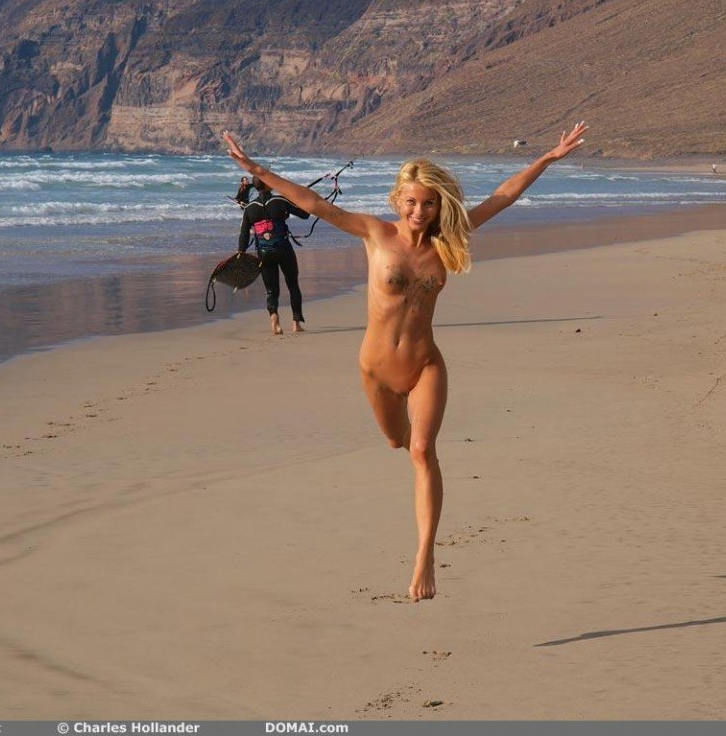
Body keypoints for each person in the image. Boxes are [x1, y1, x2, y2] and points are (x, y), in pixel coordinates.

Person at [223, 122, 588, 601]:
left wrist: (546, 158)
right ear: (399, 200)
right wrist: (256, 169)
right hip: (376, 371)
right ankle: (405, 451)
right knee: (397, 441)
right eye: (412, 202)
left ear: (440, 205)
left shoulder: (447, 240)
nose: (420, 211)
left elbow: (503, 197)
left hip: (424, 365)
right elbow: (315, 204)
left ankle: (425, 557)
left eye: (429, 203)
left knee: (422, 452)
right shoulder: (375, 233)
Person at [238, 176, 310, 334]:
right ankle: (296, 323)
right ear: (267, 184)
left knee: (271, 290)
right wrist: (302, 198)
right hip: (284, 250)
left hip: (264, 254)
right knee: (293, 285)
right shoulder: (280, 201)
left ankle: (274, 320)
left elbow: (244, 234)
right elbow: (305, 214)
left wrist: (241, 252)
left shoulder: (249, 208)